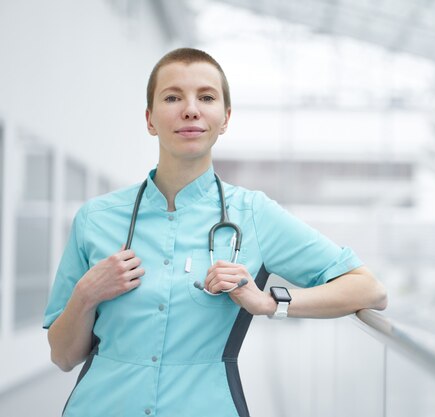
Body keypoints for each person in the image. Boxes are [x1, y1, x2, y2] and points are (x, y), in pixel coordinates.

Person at [43, 47, 387, 417]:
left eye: (206, 97)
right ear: (149, 119)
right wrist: (85, 294)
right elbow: (64, 357)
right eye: (173, 97)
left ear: (225, 118)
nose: (190, 108)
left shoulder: (253, 214)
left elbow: (369, 289)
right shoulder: (96, 219)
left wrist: (270, 303)